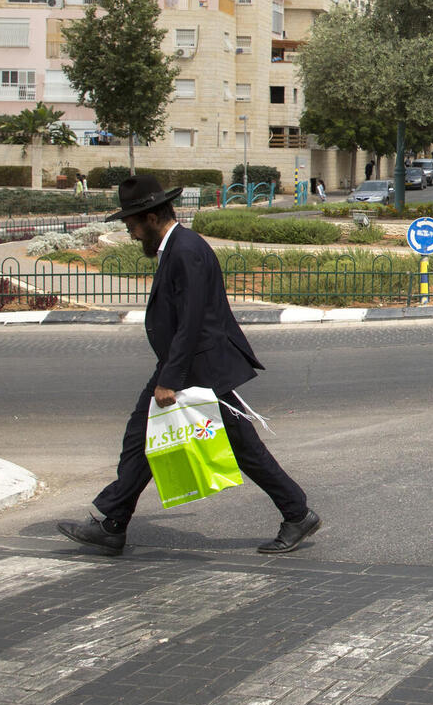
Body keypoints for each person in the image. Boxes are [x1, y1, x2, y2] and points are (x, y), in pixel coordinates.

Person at [58, 174, 321, 558]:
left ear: (149, 217)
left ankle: (297, 513)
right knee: (142, 439)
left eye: (130, 224)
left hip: (196, 368)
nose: (130, 233)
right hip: (183, 365)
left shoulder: (185, 249)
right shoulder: (176, 246)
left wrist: (170, 379)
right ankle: (112, 522)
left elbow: (192, 320)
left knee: (240, 447)